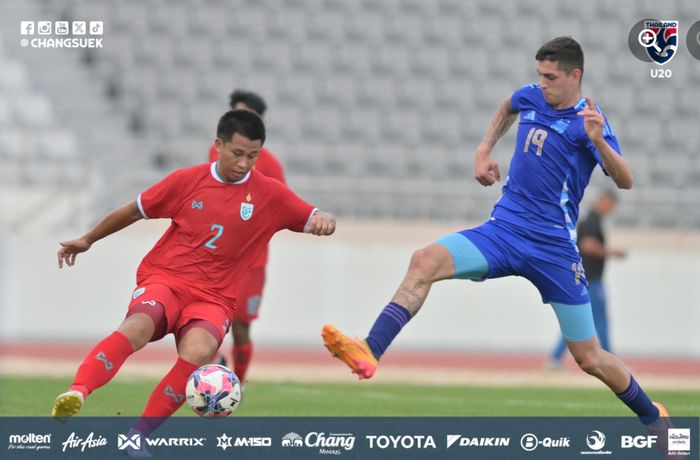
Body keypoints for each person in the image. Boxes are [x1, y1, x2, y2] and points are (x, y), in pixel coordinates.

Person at [322, 37, 671, 430]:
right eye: (539, 75)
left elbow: (625, 180)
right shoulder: (531, 97)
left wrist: (597, 143)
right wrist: (484, 148)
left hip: (552, 247)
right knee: (425, 260)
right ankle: (371, 349)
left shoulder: (589, 122)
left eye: (551, 77)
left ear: (576, 76)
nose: (542, 84)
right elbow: (509, 106)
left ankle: (652, 416)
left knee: (589, 357)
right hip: (503, 231)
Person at [51, 110, 335, 439]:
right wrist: (88, 239)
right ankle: (78, 391)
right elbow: (133, 210)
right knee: (138, 327)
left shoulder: (270, 194)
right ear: (219, 145)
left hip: (215, 297)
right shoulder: (187, 180)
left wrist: (323, 220)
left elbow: (313, 214)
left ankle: (137, 435)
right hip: (166, 279)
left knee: (199, 352)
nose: (244, 164)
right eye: (237, 154)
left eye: (253, 156)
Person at [207, 90, 286, 387]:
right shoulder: (215, 154)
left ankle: (235, 385)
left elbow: (282, 207)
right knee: (201, 322)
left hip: (251, 262)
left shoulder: (271, 165)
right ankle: (213, 367)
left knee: (240, 328)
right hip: (215, 259)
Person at [549, 190, 626, 367]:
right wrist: (612, 252)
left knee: (577, 322)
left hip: (587, 280)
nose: (611, 208)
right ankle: (612, 361)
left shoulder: (592, 220)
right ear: (603, 201)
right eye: (610, 203)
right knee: (600, 320)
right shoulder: (591, 221)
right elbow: (588, 246)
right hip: (592, 280)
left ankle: (555, 358)